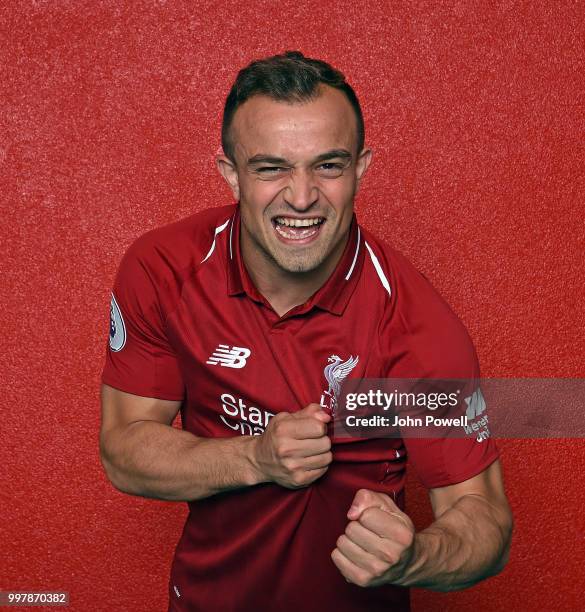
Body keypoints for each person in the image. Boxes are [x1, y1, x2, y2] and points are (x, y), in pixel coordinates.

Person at [99, 51, 513, 612]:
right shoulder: (164, 270)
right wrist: (255, 458)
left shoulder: (414, 327)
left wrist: (415, 556)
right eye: (271, 168)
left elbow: (483, 517)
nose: (300, 197)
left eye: (329, 166)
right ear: (230, 172)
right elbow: (124, 449)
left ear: (362, 167)